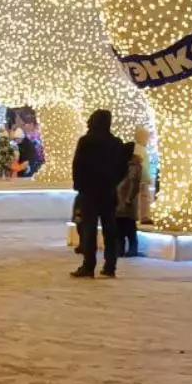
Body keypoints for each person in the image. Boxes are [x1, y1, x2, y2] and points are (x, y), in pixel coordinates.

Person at [71, 109, 128, 279]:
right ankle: (110, 265)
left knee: (89, 229)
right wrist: (113, 183)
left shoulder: (86, 141)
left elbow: (77, 165)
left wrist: (79, 185)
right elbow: (122, 167)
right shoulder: (116, 143)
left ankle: (89, 266)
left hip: (88, 192)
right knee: (110, 229)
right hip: (108, 192)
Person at [115, 140, 142, 259]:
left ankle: (132, 248)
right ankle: (120, 248)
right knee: (120, 226)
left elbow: (134, 184)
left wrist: (129, 199)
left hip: (127, 201)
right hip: (120, 199)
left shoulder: (134, 166)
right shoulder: (124, 164)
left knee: (129, 226)